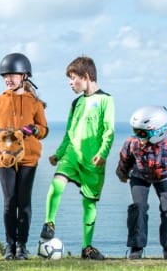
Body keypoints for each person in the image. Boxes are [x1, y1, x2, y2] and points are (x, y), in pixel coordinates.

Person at [40, 56, 115, 260]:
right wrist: (59, 153)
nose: (70, 83)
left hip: (93, 160)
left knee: (89, 204)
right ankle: (49, 223)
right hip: (73, 153)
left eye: (73, 78)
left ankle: (86, 248)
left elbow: (109, 131)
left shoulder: (106, 100)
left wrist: (103, 153)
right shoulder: (76, 103)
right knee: (57, 182)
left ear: (86, 76)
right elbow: (69, 132)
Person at [0, 52, 48, 260]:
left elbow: (44, 130)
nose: (8, 79)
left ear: (24, 76)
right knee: (9, 202)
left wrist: (34, 130)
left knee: (24, 203)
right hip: (5, 157)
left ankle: (22, 246)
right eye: (5, 76)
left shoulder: (35, 103)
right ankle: (10, 246)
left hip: (29, 158)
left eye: (12, 75)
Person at [115, 105, 167, 260]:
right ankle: (136, 247)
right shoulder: (133, 142)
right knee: (138, 207)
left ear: (158, 131)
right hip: (140, 175)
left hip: (164, 176)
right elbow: (125, 158)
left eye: (142, 133)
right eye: (136, 131)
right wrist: (122, 174)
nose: (138, 136)